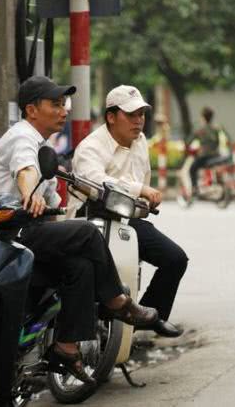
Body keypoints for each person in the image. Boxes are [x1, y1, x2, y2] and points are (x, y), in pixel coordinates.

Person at [0, 76, 158, 384]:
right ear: (32, 110)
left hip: (18, 237)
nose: (64, 110)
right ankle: (116, 302)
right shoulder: (22, 137)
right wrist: (30, 196)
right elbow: (25, 172)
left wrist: (63, 223)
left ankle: (66, 347)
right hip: (0, 236)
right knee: (87, 235)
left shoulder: (43, 147)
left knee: (80, 265)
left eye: (64, 104)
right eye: (55, 104)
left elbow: (54, 199)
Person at [71, 85, 188, 338]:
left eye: (141, 115)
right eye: (131, 115)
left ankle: (148, 317)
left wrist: (145, 201)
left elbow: (143, 178)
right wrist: (139, 189)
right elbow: (94, 182)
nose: (139, 121)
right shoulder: (90, 147)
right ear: (111, 117)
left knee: (175, 259)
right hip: (92, 221)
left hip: (128, 219)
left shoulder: (141, 141)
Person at [188, 107, 230, 190]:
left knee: (192, 169)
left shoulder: (200, 129)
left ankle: (194, 189)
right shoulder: (217, 128)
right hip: (217, 155)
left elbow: (189, 141)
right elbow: (225, 139)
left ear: (203, 117)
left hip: (204, 157)